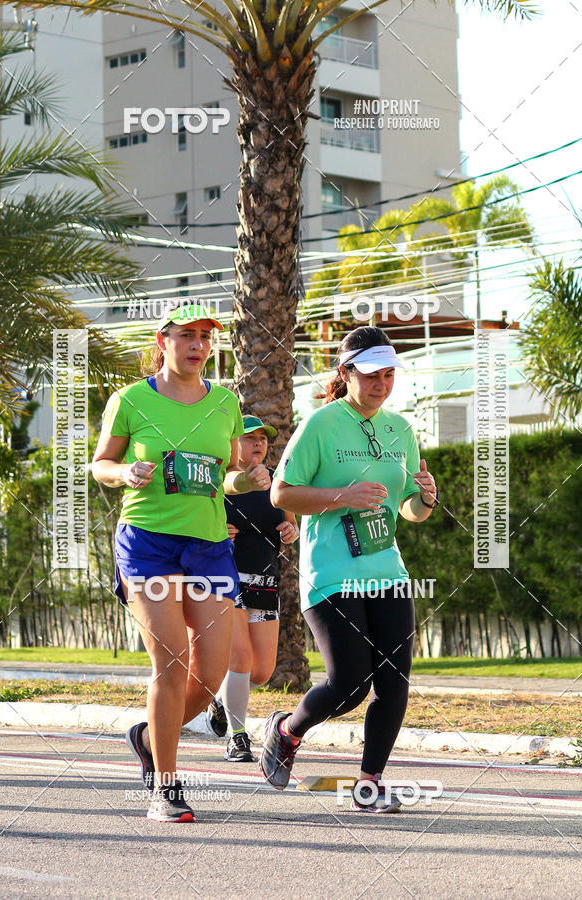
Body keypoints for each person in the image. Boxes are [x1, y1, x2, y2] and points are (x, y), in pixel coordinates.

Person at [92, 302, 270, 823]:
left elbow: (229, 473)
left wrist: (249, 481)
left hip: (209, 545)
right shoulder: (129, 399)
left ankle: (150, 736)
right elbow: (100, 463)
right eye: (186, 335)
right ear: (163, 341)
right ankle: (165, 787)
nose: (197, 345)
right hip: (148, 542)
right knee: (169, 664)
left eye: (204, 337)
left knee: (211, 672)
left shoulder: (224, 402)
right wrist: (124, 473)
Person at [259, 325, 439, 813]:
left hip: (387, 571)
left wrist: (425, 499)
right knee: (350, 684)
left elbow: (408, 510)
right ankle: (286, 730)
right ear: (345, 373)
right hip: (331, 572)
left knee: (394, 681)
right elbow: (281, 493)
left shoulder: (401, 429)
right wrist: (342, 497)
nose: (381, 384)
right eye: (370, 374)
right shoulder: (321, 424)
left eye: (388, 374)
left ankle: (370, 783)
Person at [205, 415, 299, 761]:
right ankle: (238, 736)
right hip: (227, 578)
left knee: (261, 671)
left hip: (266, 580)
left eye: (263, 438)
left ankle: (218, 698)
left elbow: (289, 525)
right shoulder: (219, 482)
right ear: (232, 443)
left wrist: (291, 533)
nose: (258, 443)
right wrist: (217, 532)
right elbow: (196, 522)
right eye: (249, 438)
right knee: (240, 658)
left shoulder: (277, 482)